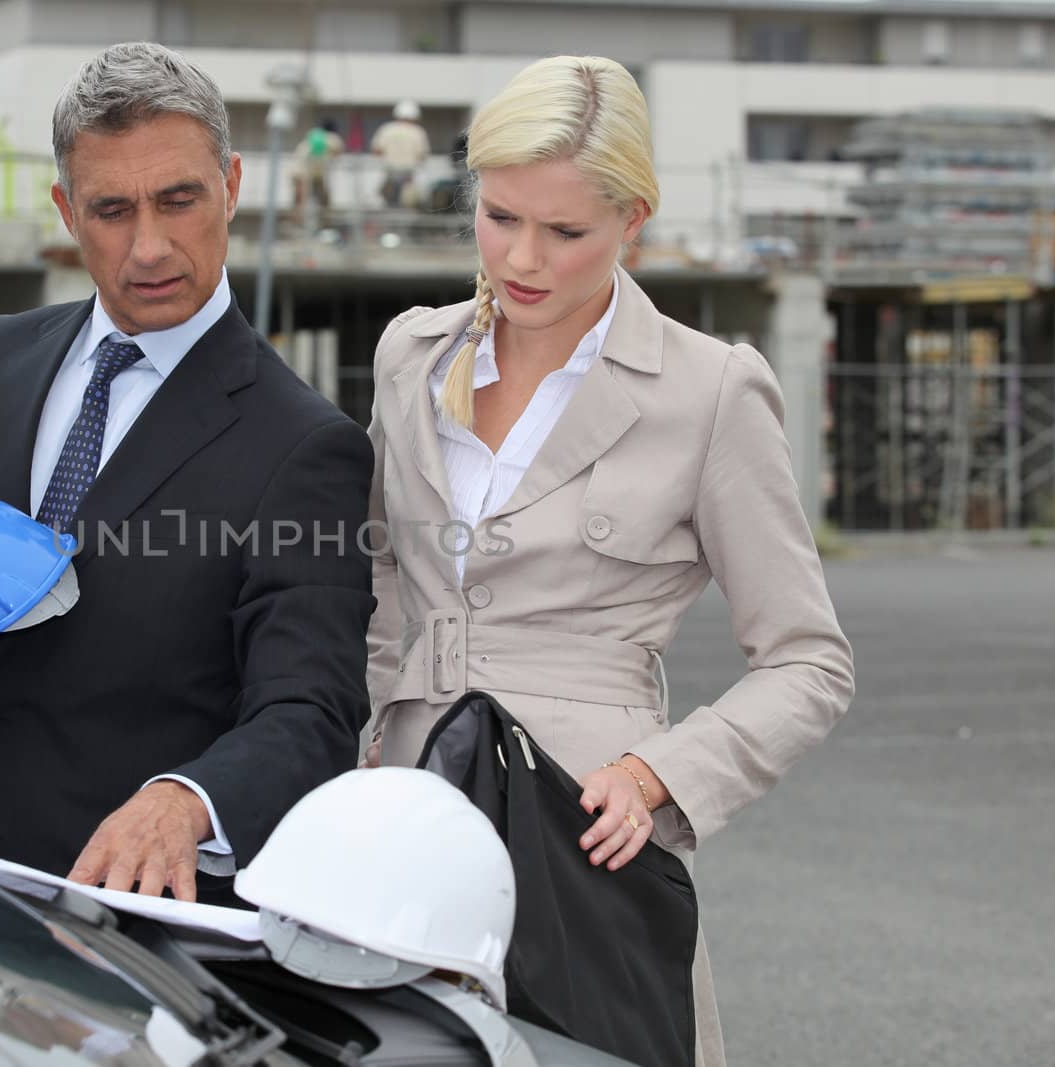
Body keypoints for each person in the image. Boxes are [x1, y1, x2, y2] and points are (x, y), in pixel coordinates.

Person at [0, 42, 375, 906]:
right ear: (65, 209)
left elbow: (310, 713)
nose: (149, 245)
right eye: (112, 209)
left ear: (232, 186)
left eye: (179, 200)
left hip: (130, 927)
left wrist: (189, 800)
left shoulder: (307, 446)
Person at [362, 56, 854, 1065]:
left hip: (586, 826)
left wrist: (657, 774)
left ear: (634, 219)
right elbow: (375, 589)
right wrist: (359, 747)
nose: (521, 257)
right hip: (402, 810)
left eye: (565, 231)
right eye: (498, 217)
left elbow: (810, 661)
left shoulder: (711, 390)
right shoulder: (410, 354)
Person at [371, 100, 430, 209]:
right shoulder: (418, 132)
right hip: (409, 175)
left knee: (389, 205)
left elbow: (377, 150)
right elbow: (422, 155)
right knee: (408, 206)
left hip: (390, 173)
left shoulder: (387, 129)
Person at [290, 117, 343, 216]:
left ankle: (297, 220)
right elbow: (338, 151)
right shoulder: (331, 137)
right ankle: (325, 219)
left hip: (299, 169)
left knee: (299, 200)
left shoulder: (314, 135)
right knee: (322, 200)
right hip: (311, 172)